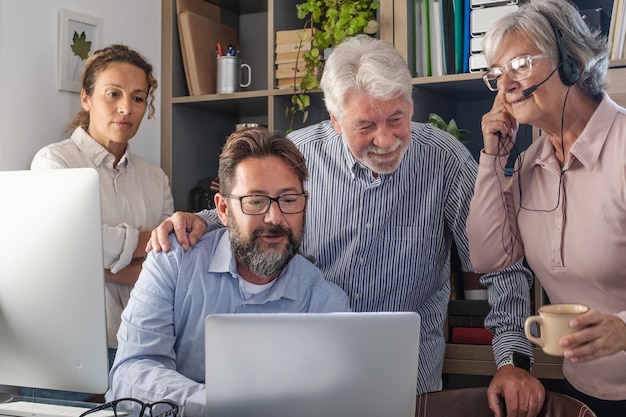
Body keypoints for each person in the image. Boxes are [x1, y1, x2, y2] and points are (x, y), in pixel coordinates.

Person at [147, 35, 543, 417]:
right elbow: (251, 211)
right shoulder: (298, 155)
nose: (386, 139)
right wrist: (195, 221)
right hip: (303, 378)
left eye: (396, 118)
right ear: (335, 120)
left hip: (407, 380)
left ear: (411, 104)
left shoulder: (445, 160)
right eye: (365, 126)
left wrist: (513, 360)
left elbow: (500, 262)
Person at [106, 127, 350, 417]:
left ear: (304, 204)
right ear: (222, 209)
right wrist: (218, 406)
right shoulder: (172, 262)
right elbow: (130, 374)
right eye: (255, 201)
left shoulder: (327, 305)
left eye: (288, 200)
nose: (275, 218)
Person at [466, 1, 626, 416]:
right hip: (585, 389)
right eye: (497, 74)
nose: (506, 86)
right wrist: (491, 159)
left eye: (520, 64)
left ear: (572, 63)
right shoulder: (527, 164)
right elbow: (489, 257)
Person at [31, 44, 174, 381]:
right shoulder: (54, 163)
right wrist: (146, 243)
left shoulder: (155, 178)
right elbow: (68, 247)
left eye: (138, 98)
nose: (126, 108)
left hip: (142, 349)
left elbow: (169, 265)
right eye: (113, 94)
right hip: (66, 352)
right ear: (86, 98)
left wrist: (94, 266)